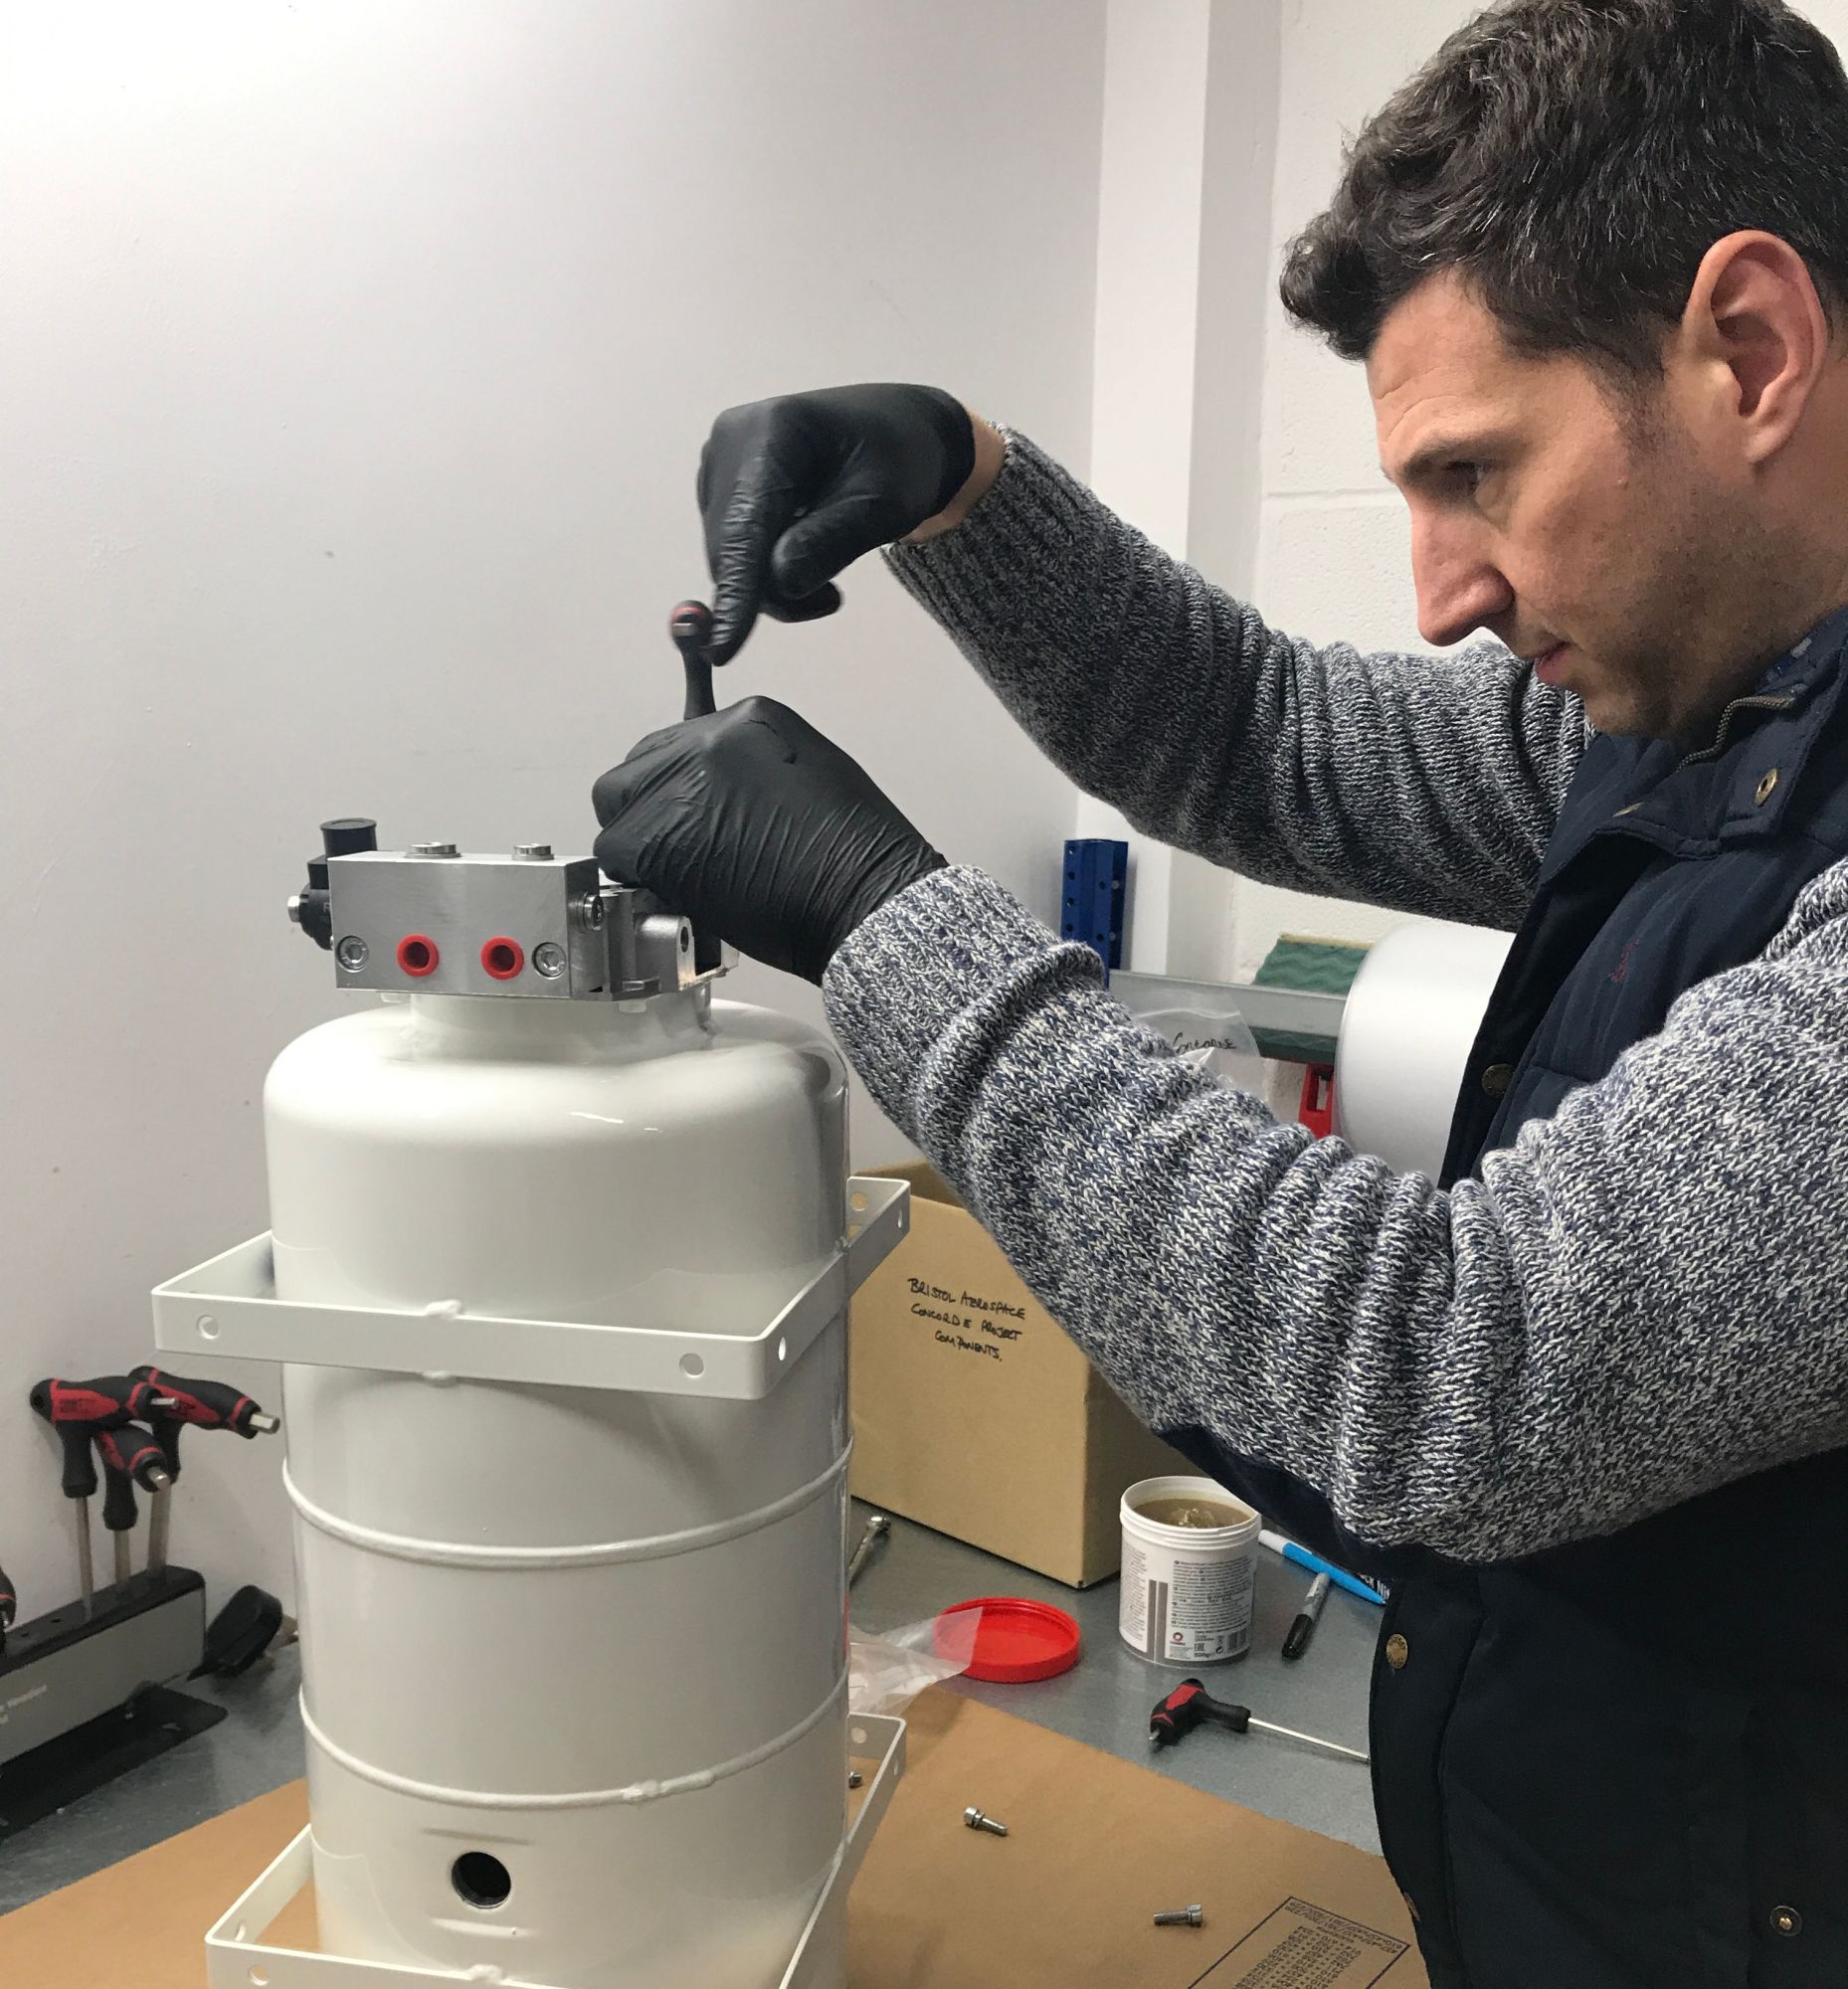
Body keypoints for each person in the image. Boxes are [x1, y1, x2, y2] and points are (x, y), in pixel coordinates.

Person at [592, 3, 1848, 1982]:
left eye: (1475, 473)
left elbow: (1450, 1371)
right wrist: (958, 483)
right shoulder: (1714, 697)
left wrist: (877, 916)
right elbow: (1269, 737)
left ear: (1749, 353)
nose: (1436, 586)